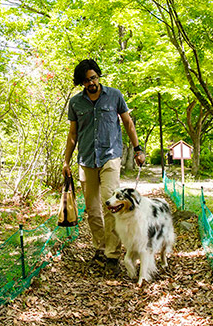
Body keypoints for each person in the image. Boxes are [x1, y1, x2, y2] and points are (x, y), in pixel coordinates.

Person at [63, 59, 146, 272]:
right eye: (86, 81)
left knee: (111, 204)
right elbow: (73, 134)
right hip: (86, 159)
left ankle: (112, 255)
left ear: (98, 76)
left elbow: (128, 123)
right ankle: (99, 248)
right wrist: (66, 161)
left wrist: (138, 149)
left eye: (93, 78)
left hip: (110, 157)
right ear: (81, 82)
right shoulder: (76, 103)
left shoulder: (115, 96)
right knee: (92, 210)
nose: (91, 83)